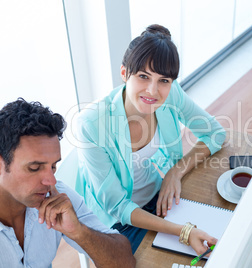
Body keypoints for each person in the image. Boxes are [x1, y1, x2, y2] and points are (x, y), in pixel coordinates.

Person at [74, 24, 226, 255]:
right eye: (143, 77)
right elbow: (117, 206)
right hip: (118, 221)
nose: (153, 91)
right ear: (124, 73)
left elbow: (215, 133)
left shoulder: (170, 93)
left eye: (164, 80)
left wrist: (176, 171)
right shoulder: (91, 125)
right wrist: (181, 231)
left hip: (159, 197)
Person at [0, 99, 136, 267]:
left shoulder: (55, 195)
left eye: (53, 166)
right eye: (35, 168)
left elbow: (125, 262)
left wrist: (79, 232)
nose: (51, 181)